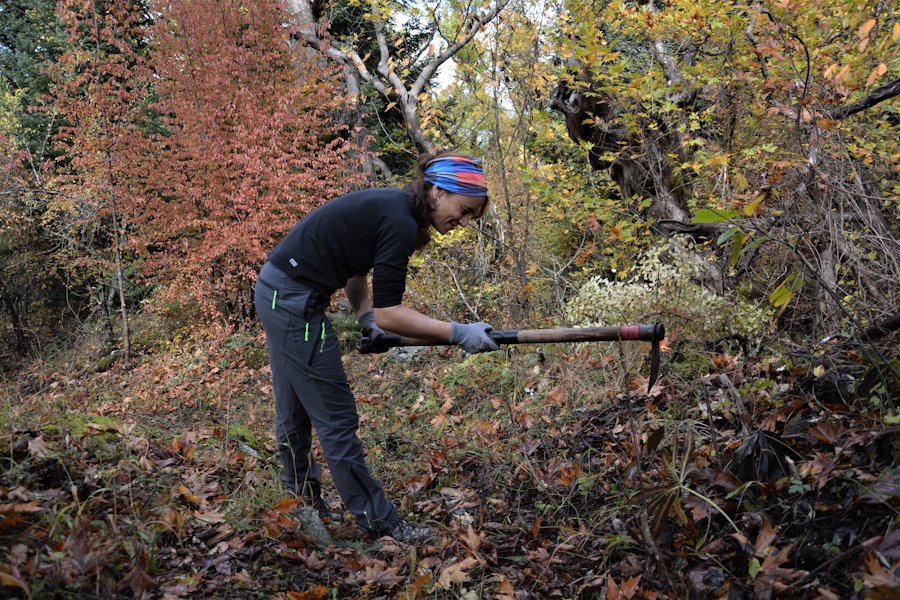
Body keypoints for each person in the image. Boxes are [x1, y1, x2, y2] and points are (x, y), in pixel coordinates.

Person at [254, 150, 499, 544]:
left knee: (295, 409)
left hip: (278, 290)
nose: (464, 221)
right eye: (464, 209)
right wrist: (458, 331)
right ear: (436, 191)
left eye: (472, 215)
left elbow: (355, 267)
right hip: (293, 301)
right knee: (336, 418)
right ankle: (380, 522)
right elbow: (392, 314)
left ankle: (299, 499)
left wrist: (364, 317)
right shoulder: (401, 221)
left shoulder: (395, 208)